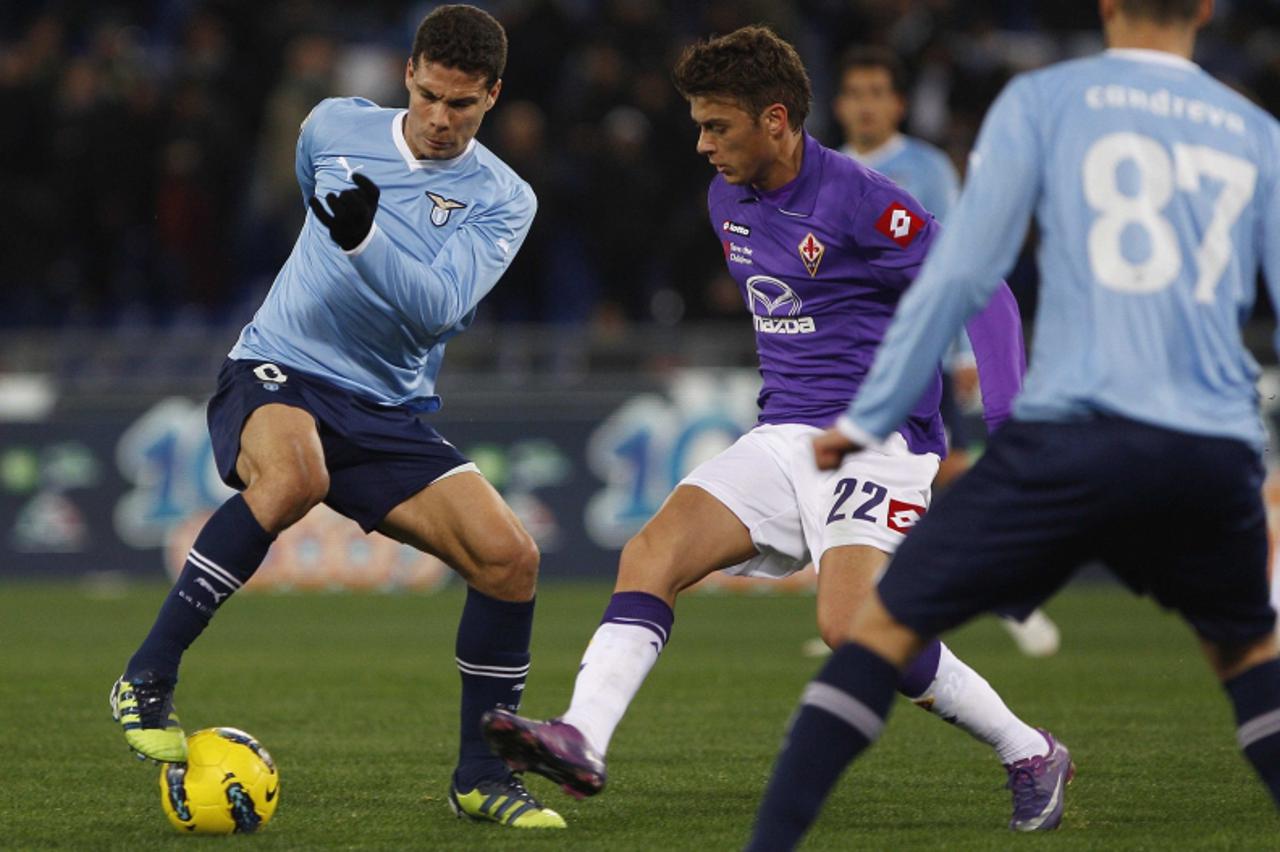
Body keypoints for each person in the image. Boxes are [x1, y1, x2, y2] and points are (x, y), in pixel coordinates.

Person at [482, 25, 1068, 829]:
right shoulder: (728, 196)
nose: (701, 144)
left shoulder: (863, 200)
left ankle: (1029, 750)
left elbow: (984, 289)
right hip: (782, 435)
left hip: (878, 442)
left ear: (777, 120)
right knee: (651, 552)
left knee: (848, 625)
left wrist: (1007, 414)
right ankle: (581, 737)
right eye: (698, 124)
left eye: (716, 126)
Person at [747, 0, 1280, 848]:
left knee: (871, 631)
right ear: (1209, 11)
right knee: (1251, 664)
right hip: (1210, 440)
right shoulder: (1257, 131)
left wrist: (880, 416)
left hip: (1073, 428)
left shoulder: (1042, 102)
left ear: (1106, 6)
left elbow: (964, 277)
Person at [109, 5, 566, 830]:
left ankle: (480, 775)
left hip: (384, 405)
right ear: (407, 75)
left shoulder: (505, 198)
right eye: (428, 95)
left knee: (510, 559)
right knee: (295, 474)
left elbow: (439, 310)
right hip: (278, 365)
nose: (438, 118)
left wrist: (361, 242)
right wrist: (342, 252)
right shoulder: (332, 126)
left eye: (461, 105)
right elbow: (310, 191)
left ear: (493, 96)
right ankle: (148, 675)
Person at [835, 45, 1061, 658]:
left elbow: (962, 256)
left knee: (949, 475)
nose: (865, 106)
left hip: (919, 359)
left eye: (877, 92)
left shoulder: (927, 167)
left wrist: (964, 349)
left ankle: (1007, 585)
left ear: (899, 104)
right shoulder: (821, 171)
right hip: (849, 361)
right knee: (850, 483)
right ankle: (865, 602)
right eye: (855, 93)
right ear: (838, 104)